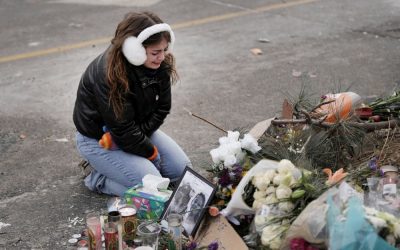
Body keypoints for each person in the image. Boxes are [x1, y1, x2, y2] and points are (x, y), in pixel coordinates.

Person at [73, 11, 191, 197]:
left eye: (165, 49)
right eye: (155, 52)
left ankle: (127, 167)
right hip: (99, 139)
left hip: (134, 130)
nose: (162, 57)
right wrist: (151, 154)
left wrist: (142, 139)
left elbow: (162, 109)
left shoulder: (159, 64)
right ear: (133, 49)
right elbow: (123, 130)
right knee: (158, 191)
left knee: (183, 172)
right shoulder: (107, 73)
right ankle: (97, 176)